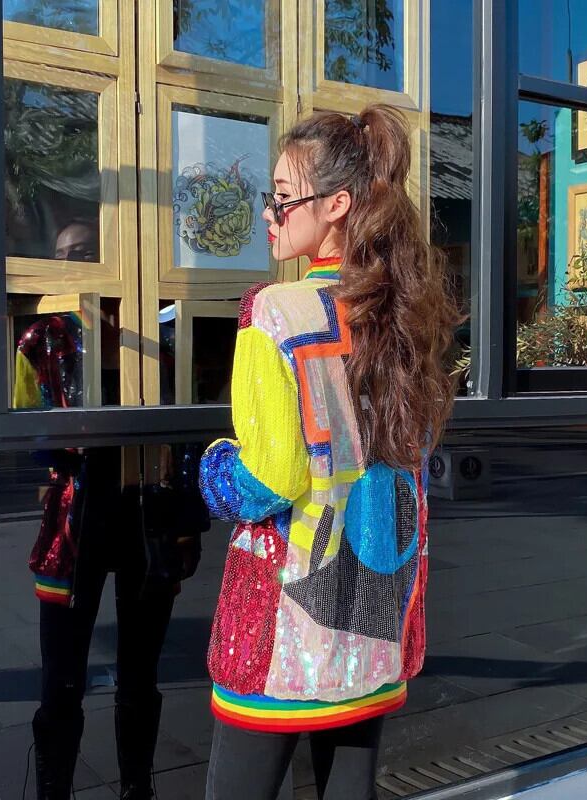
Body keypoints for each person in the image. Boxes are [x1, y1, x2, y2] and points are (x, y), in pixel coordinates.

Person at [198, 105, 461, 800]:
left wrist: (211, 467)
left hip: (285, 624)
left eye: (283, 198)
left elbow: (270, 478)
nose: (269, 214)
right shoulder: (401, 317)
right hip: (374, 614)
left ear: (337, 204)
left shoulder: (273, 312)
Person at [13, 223, 209, 800]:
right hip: (74, 523)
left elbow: (185, 434)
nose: (78, 263)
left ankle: (137, 788)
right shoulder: (41, 339)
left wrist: (188, 520)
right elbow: (27, 430)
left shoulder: (158, 334)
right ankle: (54, 790)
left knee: (141, 675)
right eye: (67, 255)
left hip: (149, 518)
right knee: (61, 680)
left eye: (87, 253)